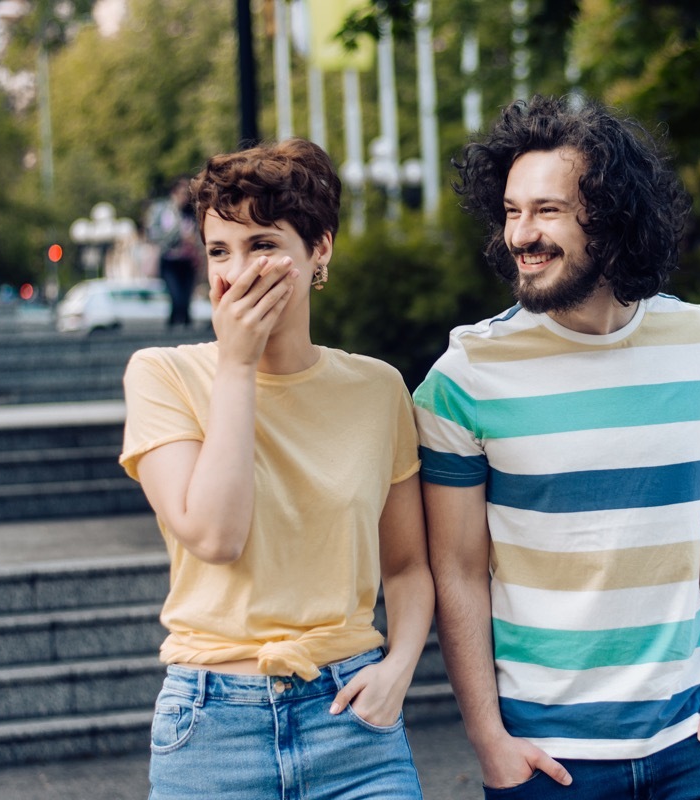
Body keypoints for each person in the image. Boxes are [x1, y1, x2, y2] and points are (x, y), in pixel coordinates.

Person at [413, 95, 700, 799]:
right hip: (547, 762)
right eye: (511, 211)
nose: (520, 234)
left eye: (546, 211)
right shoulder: (464, 378)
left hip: (695, 743)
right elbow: (456, 571)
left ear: (611, 217)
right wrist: (489, 740)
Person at [120, 138, 432, 799]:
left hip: (353, 720)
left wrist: (400, 666)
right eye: (219, 251)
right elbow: (215, 536)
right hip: (211, 727)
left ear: (318, 249)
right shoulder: (163, 375)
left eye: (263, 244)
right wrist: (236, 365)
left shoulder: (379, 390)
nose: (237, 271)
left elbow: (407, 566)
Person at [147, 177, 202, 327]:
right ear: (174, 192)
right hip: (170, 259)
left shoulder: (191, 212)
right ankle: (173, 330)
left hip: (188, 260)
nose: (185, 197)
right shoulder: (162, 210)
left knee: (186, 299)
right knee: (175, 297)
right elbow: (154, 235)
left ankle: (183, 331)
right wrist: (179, 232)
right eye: (182, 192)